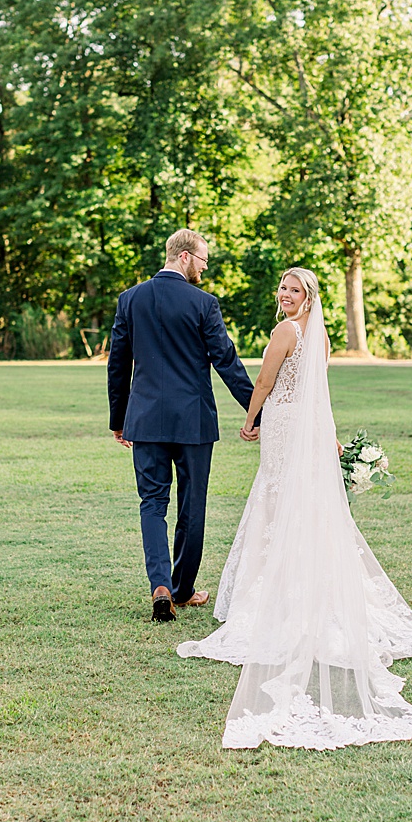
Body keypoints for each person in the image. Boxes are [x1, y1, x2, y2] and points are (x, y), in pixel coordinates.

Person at [177, 267, 412, 750]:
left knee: (278, 503)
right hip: (307, 429)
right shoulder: (318, 335)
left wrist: (251, 419)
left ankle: (278, 599)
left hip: (283, 427)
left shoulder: (286, 331)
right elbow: (318, 393)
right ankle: (301, 588)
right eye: (282, 287)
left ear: (308, 296)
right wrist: (329, 435)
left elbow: (265, 380)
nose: (284, 294)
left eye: (293, 289)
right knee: (301, 506)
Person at [107, 229, 258, 622]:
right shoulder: (203, 303)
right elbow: (226, 361)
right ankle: (183, 589)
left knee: (152, 504)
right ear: (186, 256)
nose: (204, 269)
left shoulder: (130, 299)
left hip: (145, 421)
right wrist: (255, 412)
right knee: (192, 505)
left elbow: (118, 364)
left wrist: (119, 420)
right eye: (203, 261)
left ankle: (160, 586)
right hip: (194, 421)